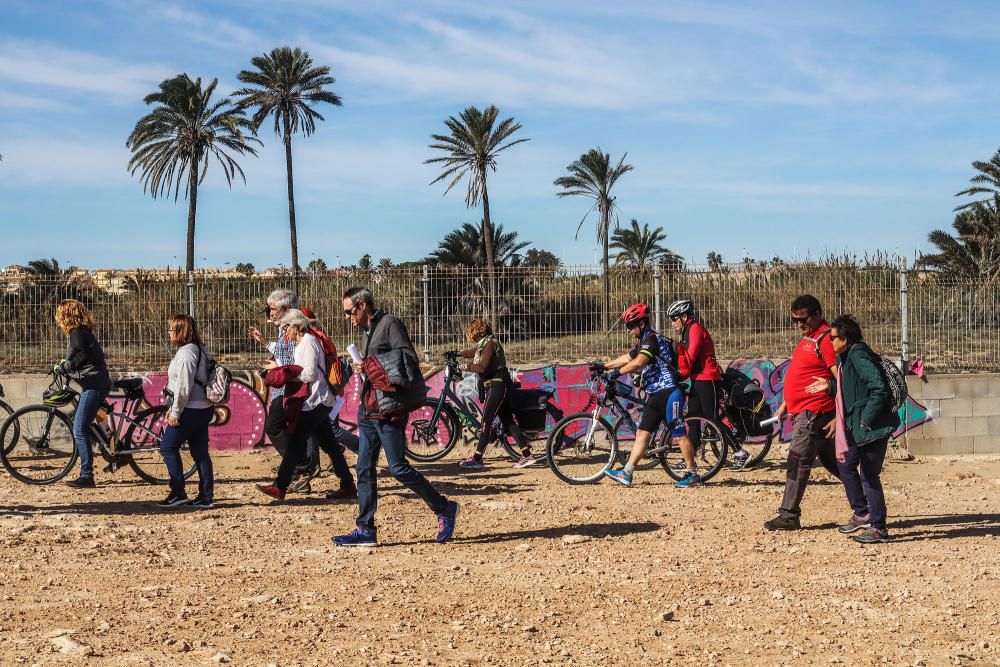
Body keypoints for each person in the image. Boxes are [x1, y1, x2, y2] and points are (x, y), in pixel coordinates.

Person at [332, 287, 458, 547]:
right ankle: (365, 528)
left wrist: (368, 365)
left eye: (349, 311)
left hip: (389, 410)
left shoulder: (390, 324)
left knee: (398, 468)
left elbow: (409, 359)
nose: (347, 317)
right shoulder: (368, 331)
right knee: (364, 468)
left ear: (363, 304)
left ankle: (444, 508)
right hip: (369, 409)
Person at [807, 315, 899, 544]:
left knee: (869, 476)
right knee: (846, 464)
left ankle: (878, 528)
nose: (830, 342)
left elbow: (879, 389)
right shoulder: (847, 357)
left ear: (845, 339)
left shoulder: (858, 355)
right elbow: (852, 387)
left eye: (833, 338)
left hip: (870, 427)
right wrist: (829, 386)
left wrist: (865, 420)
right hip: (857, 426)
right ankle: (862, 513)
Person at [255, 310, 356, 500]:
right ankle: (348, 484)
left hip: (315, 401)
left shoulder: (307, 343)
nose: (285, 333)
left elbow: (308, 374)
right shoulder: (303, 342)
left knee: (295, 443)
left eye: (286, 328)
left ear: (295, 326)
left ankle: (280, 486)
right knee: (331, 446)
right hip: (319, 400)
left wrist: (286, 374)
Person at [764, 295, 842, 531]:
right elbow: (802, 375)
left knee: (796, 462)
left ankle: (788, 515)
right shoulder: (810, 338)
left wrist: (839, 418)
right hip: (806, 413)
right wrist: (786, 404)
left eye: (803, 319)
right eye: (795, 320)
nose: (799, 325)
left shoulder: (826, 339)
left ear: (817, 314)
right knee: (838, 465)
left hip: (814, 414)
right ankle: (866, 504)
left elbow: (841, 379)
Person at [601, 303, 700, 488]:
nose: (629, 330)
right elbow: (627, 358)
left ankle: (693, 475)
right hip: (657, 395)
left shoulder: (652, 340)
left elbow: (638, 363)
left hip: (669, 392)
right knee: (642, 433)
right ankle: (627, 473)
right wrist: (604, 366)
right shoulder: (644, 341)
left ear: (642, 323)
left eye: (631, 326)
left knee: (679, 435)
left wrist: (617, 373)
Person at [667, 299, 754, 470]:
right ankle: (689, 459)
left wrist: (679, 372)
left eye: (674, 318)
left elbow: (690, 356)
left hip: (708, 379)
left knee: (711, 419)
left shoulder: (695, 329)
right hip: (697, 380)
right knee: (692, 420)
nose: (672, 322)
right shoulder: (685, 331)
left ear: (684, 316)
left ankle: (740, 453)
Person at [456, 317, 545, 470]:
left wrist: (464, 366)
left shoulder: (489, 343)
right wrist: (458, 353)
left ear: (474, 331)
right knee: (508, 422)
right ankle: (527, 455)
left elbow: (482, 367)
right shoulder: (484, 344)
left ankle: (477, 458)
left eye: (469, 332)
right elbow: (474, 352)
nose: (468, 336)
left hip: (497, 385)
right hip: (496, 385)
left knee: (486, 421)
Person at [55, 299, 112, 489]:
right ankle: (113, 450)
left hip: (94, 385)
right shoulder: (82, 332)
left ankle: (87, 476)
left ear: (66, 315)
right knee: (87, 422)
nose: (58, 318)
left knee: (79, 429)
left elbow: (82, 356)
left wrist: (67, 365)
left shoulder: (77, 333)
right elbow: (80, 354)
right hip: (96, 382)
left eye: (60, 314)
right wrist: (66, 362)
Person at [159, 315, 214, 508]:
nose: (169, 333)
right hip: (203, 408)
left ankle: (178, 492)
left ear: (181, 332)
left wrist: (175, 412)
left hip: (190, 409)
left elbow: (183, 387)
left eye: (172, 330)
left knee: (168, 447)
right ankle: (206, 496)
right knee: (200, 452)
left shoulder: (186, 354)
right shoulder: (200, 350)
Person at [248, 289, 298, 457]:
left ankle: (298, 464)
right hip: (283, 386)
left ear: (286, 308)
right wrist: (263, 341)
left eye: (273, 309)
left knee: (274, 427)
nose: (270, 313)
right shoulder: (282, 329)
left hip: (289, 387)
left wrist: (277, 366)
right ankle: (301, 464)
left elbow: (294, 360)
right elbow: (282, 351)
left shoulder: (293, 329)